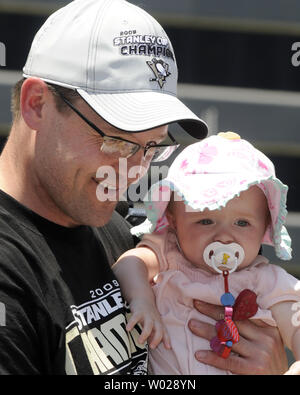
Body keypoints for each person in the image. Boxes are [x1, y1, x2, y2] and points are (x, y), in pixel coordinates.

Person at [0, 0, 288, 375]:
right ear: (36, 105)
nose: (135, 170)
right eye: (117, 141)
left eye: (153, 146)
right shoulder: (11, 268)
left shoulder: (113, 222)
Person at [113, 132, 300, 375]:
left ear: (265, 226)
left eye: (242, 223)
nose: (224, 237)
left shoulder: (265, 281)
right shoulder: (167, 255)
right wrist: (142, 299)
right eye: (206, 220)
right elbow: (129, 264)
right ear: (174, 220)